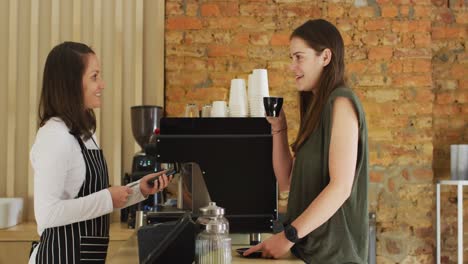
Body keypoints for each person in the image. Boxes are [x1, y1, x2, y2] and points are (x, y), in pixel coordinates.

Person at [28, 41, 172, 264]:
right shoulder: (54, 136)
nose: (102, 84)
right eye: (94, 77)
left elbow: (97, 198)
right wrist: (107, 197)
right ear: (71, 84)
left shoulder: (83, 133)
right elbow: (47, 214)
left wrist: (138, 190)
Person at [245, 19, 369, 263]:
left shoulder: (341, 102)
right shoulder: (316, 108)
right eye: (292, 58)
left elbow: (341, 187)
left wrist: (287, 236)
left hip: (335, 257)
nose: (292, 67)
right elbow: (286, 181)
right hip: (309, 254)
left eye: (299, 57)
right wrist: (280, 128)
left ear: (325, 57)